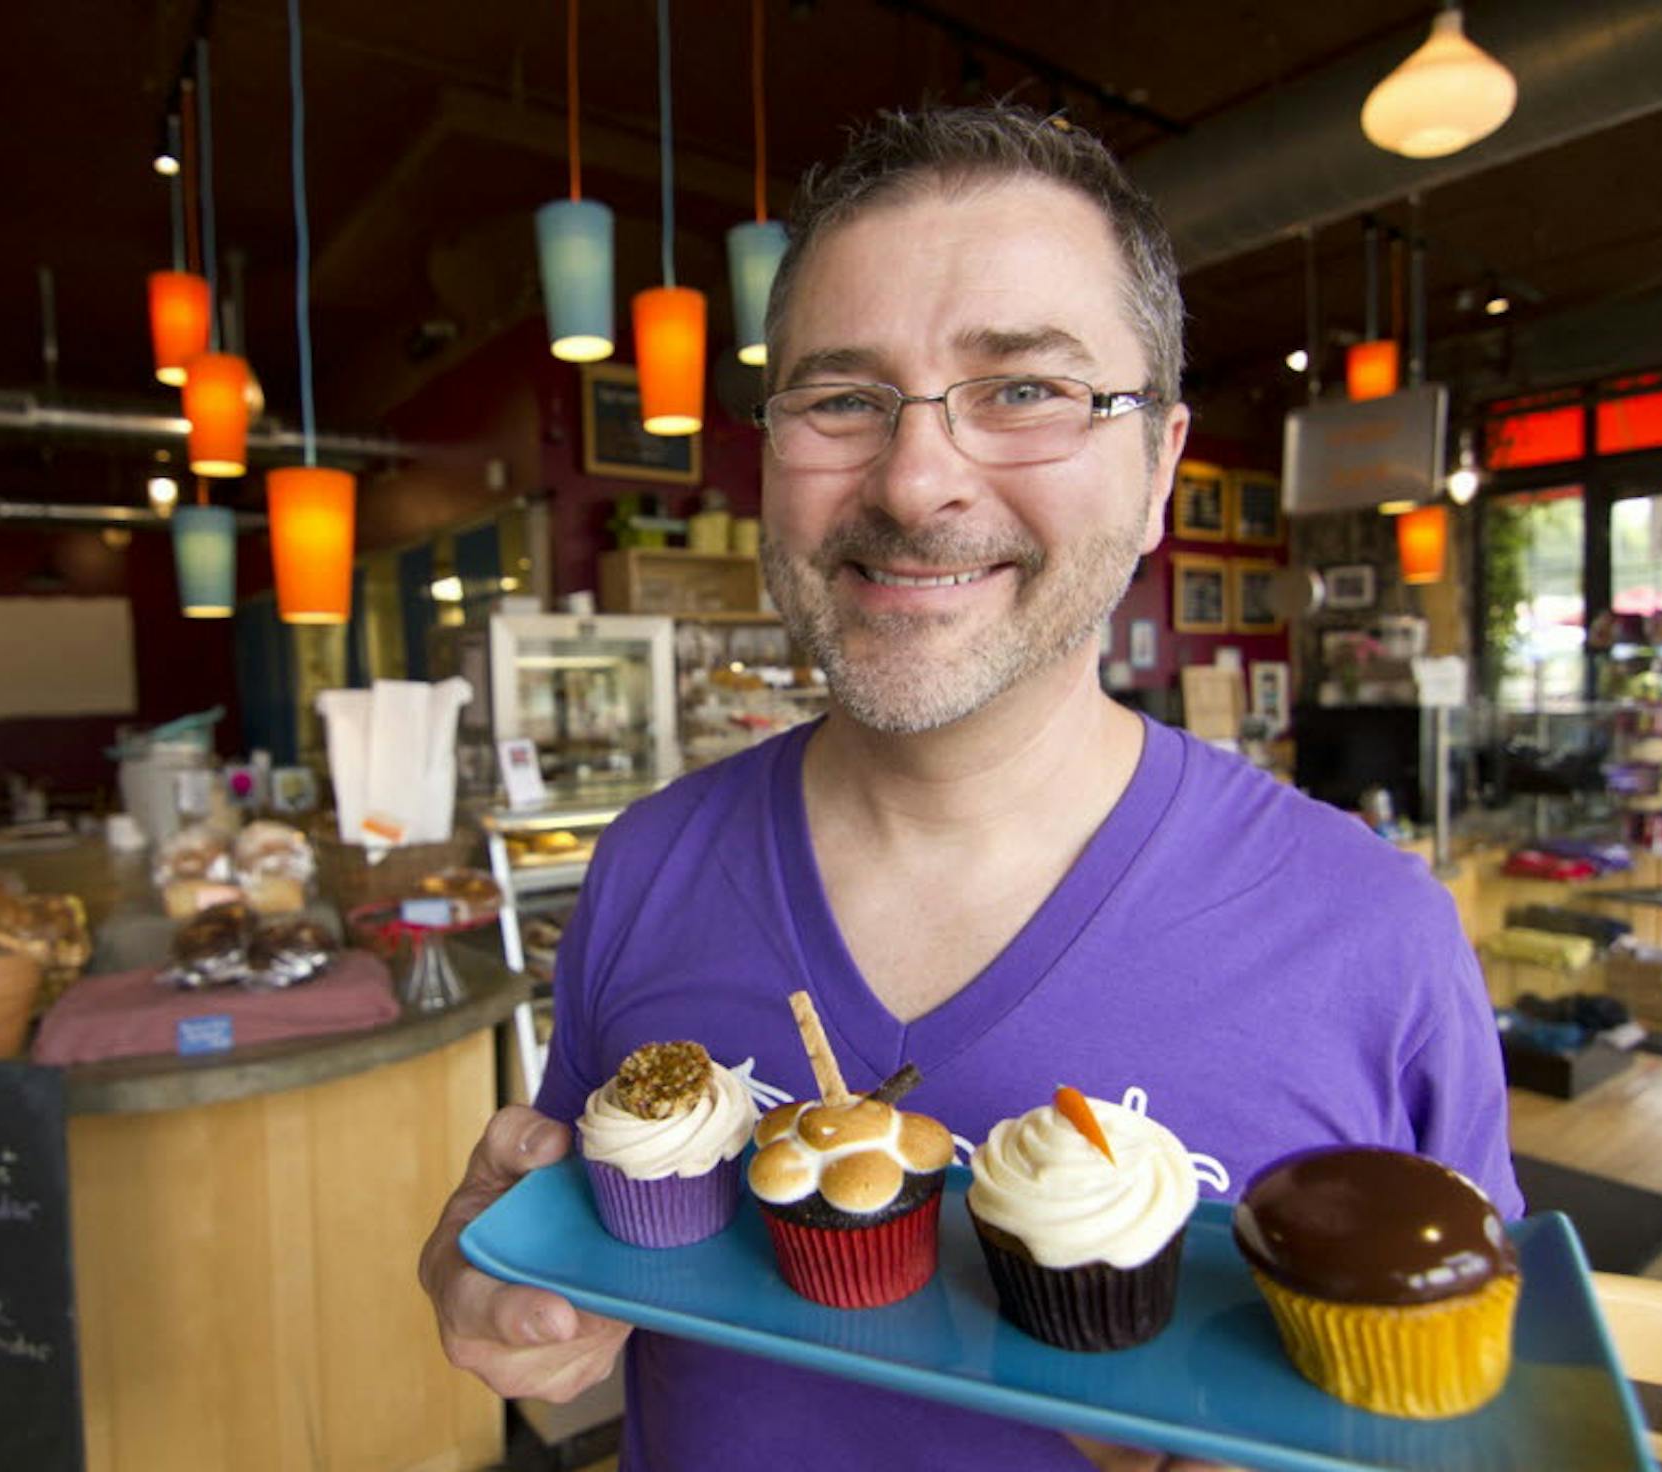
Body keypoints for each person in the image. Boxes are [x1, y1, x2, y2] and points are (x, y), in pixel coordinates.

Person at [420, 102, 1520, 1471]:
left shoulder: (1374, 937)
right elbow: (578, 1248)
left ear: (1162, 461)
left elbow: (1480, 1413)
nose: (919, 475)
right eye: (841, 399)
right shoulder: (646, 868)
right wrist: (501, 1290)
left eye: (1023, 390)